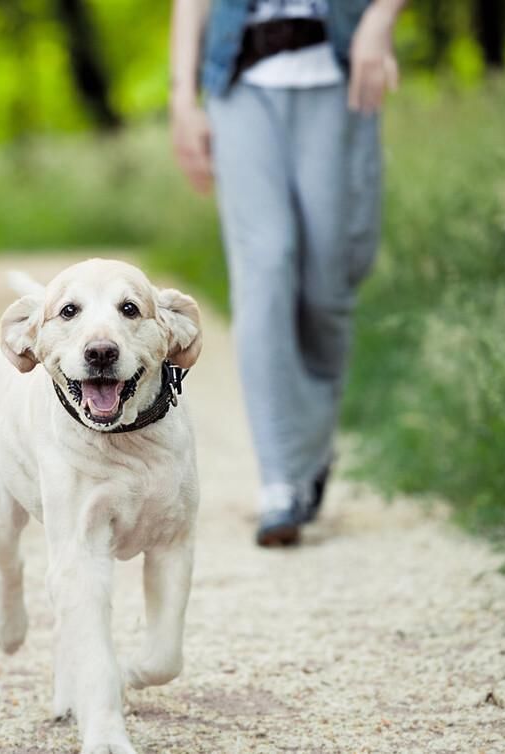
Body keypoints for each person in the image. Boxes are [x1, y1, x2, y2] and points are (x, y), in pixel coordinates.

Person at [169, 0, 403, 546]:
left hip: (338, 71)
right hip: (239, 80)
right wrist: (182, 97)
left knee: (327, 284)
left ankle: (312, 446)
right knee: (266, 265)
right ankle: (280, 479)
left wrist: (381, 16)